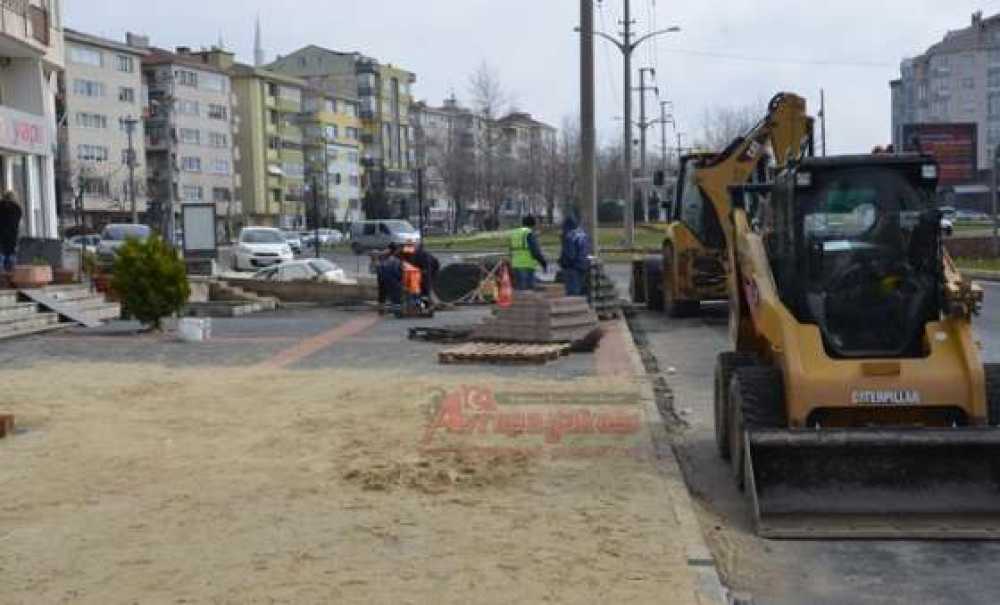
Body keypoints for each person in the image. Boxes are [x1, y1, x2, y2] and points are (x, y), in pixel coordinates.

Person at [509, 215, 547, 291]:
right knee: (528, 291)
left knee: (518, 291)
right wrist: (543, 263)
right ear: (533, 224)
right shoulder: (529, 233)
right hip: (527, 266)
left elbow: (510, 249)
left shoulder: (515, 233)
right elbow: (535, 251)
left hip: (515, 265)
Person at [558, 214, 592, 297]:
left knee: (572, 293)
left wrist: (562, 262)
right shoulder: (583, 234)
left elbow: (570, 254)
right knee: (580, 290)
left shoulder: (570, 236)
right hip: (583, 265)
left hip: (573, 267)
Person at [376, 243, 403, 310]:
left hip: (381, 276)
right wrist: (400, 277)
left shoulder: (383, 255)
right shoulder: (394, 257)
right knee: (396, 291)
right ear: (395, 250)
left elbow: (378, 265)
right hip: (389, 277)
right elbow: (395, 270)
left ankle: (381, 308)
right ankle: (396, 307)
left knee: (382, 292)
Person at [0, 191, 21, 272]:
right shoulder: (18, 209)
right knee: (11, 266)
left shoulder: (1, 207)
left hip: (1, 239)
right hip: (12, 239)